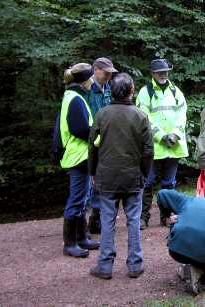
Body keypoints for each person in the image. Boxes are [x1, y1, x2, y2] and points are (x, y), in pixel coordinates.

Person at [88, 73, 154, 279]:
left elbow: (92, 146)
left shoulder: (101, 114)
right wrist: (144, 172)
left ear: (112, 91)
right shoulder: (141, 116)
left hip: (107, 177)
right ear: (132, 90)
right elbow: (148, 150)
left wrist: (92, 171)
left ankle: (105, 266)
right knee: (133, 220)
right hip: (133, 176)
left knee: (108, 221)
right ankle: (135, 264)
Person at [136, 59, 188, 229]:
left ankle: (166, 217)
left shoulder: (175, 91)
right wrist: (161, 136)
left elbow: (182, 114)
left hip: (173, 146)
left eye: (165, 71)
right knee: (148, 183)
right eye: (159, 72)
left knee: (169, 184)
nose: (163, 74)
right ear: (152, 73)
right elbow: (143, 117)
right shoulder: (145, 92)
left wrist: (176, 134)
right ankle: (143, 217)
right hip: (154, 147)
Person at [59, 63, 100, 258]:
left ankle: (82, 237)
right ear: (85, 80)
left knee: (83, 198)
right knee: (77, 200)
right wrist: (98, 136)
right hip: (78, 156)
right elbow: (80, 129)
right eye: (91, 77)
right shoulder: (75, 99)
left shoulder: (74, 96)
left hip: (81, 156)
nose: (93, 81)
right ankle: (70, 243)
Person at [87, 57, 118, 234]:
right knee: (92, 179)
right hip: (92, 139)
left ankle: (101, 215)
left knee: (105, 178)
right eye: (105, 72)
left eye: (110, 73)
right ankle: (94, 216)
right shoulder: (87, 89)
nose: (108, 76)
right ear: (95, 70)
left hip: (109, 140)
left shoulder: (109, 88)